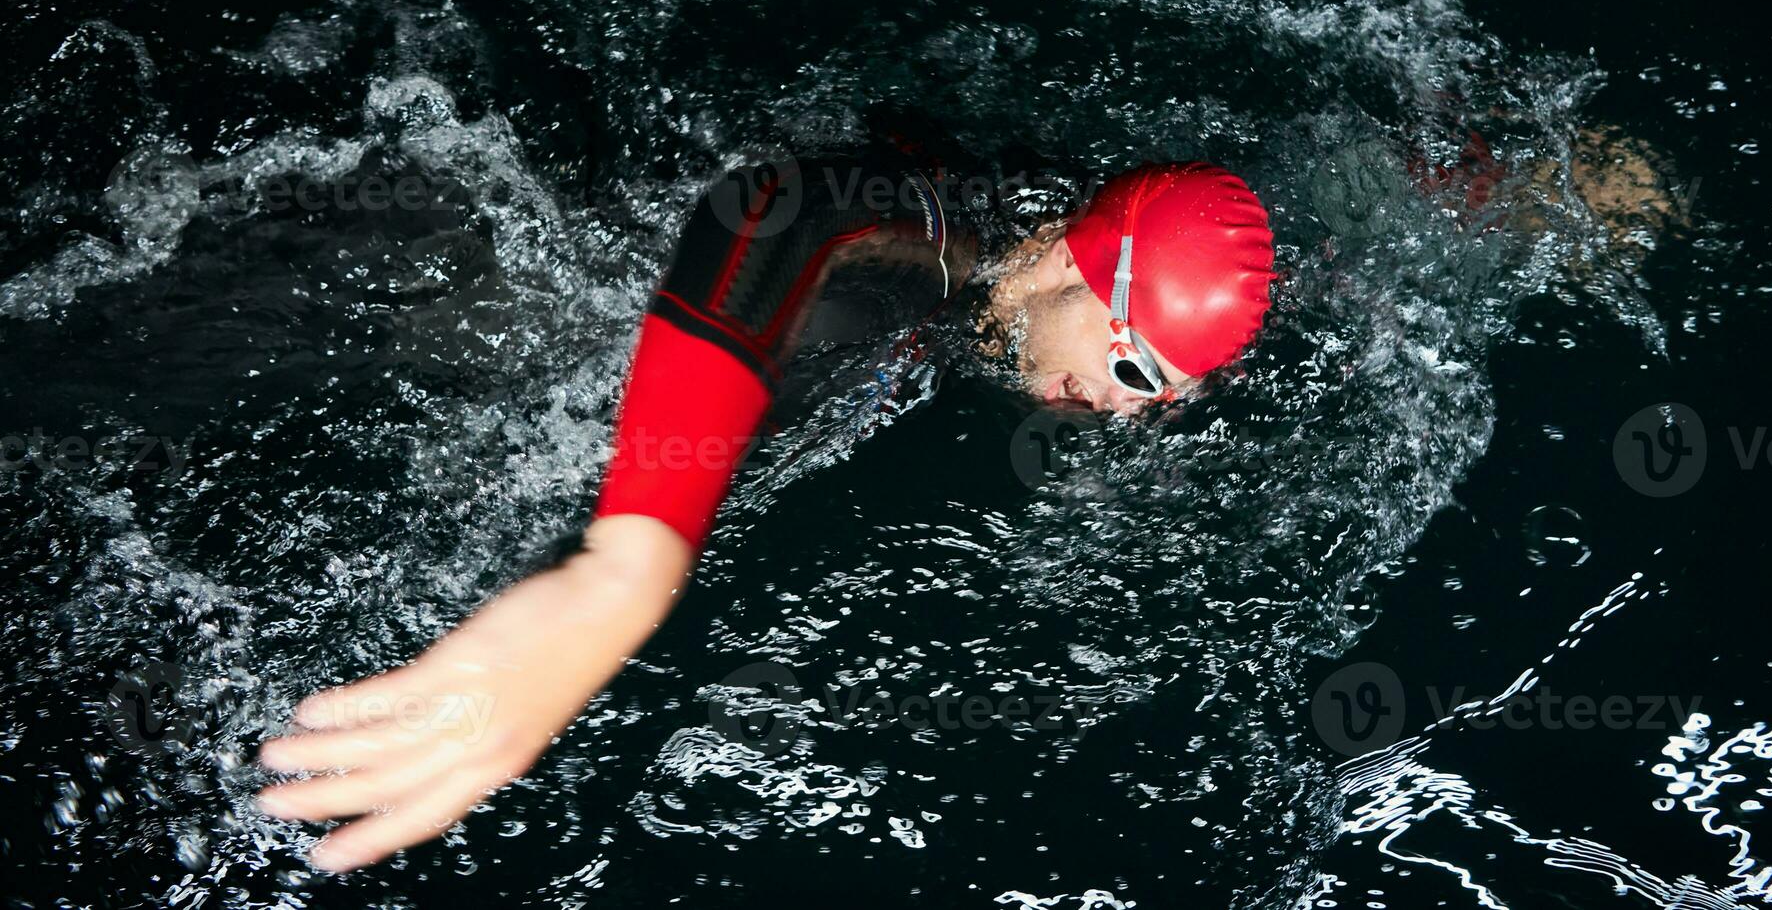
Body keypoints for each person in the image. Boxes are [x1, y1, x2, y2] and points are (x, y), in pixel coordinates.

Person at [252, 142, 1280, 872]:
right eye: (1131, 362)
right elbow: (768, 206)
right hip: (475, 300)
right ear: (1065, 262)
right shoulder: (939, 244)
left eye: (1165, 393)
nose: (1119, 404)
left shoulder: (1022, 276)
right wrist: (626, 567)